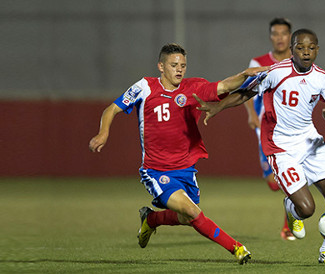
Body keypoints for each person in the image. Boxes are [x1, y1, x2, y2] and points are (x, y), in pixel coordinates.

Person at [89, 43, 268, 264]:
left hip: (185, 169)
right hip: (156, 171)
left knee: (186, 217)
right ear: (161, 66)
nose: (179, 69)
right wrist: (103, 133)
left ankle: (151, 219)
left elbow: (223, 86)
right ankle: (237, 248)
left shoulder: (193, 88)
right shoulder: (145, 87)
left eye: (183, 65)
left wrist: (244, 75)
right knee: (192, 212)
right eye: (174, 65)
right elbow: (112, 108)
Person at [195, 29, 325, 264]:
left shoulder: (323, 78)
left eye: (311, 48)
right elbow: (246, 92)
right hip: (280, 145)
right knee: (307, 209)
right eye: (300, 47)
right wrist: (219, 107)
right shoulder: (275, 73)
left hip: (309, 140)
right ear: (291, 49)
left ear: (317, 49)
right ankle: (291, 208)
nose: (306, 52)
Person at [244, 17, 295, 241]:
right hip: (265, 129)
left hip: (291, 130)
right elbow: (247, 91)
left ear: (290, 37)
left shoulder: (298, 61)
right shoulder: (259, 62)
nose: (280, 38)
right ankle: (292, 205)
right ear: (271, 36)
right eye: (275, 34)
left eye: (284, 33)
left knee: (290, 178)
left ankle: (289, 226)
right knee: (274, 183)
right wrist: (251, 115)